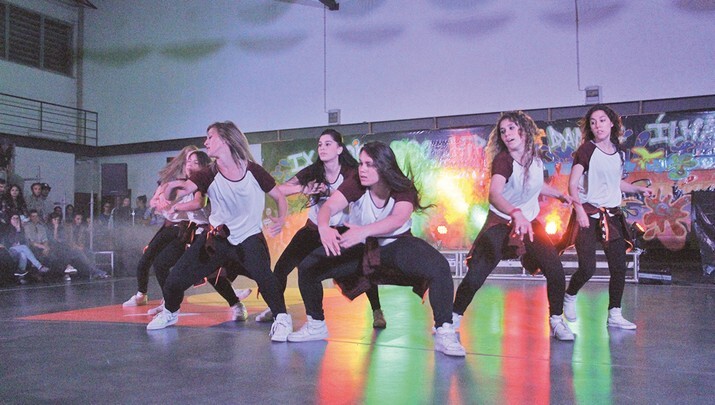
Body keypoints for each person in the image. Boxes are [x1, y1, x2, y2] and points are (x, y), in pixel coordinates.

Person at [288, 141, 465, 357]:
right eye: (361, 163)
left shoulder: (403, 187)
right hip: (361, 247)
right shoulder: (357, 182)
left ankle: (445, 331)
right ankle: (316, 324)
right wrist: (324, 227)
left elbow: (397, 219)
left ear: (383, 166)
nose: (362, 169)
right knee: (308, 267)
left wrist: (363, 232)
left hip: (396, 244)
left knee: (439, 267)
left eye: (369, 164)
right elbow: (329, 206)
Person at [148, 121, 292, 342]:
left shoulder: (253, 170)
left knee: (265, 278)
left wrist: (281, 219)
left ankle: (282, 319)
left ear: (225, 139)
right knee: (175, 280)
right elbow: (186, 189)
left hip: (249, 238)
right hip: (216, 239)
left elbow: (279, 197)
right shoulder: (209, 173)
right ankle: (170, 312)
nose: (205, 142)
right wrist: (170, 190)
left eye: (210, 137)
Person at [451, 111, 575, 341]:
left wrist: (559, 195)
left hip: (528, 222)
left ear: (524, 130)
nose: (507, 134)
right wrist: (515, 213)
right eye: (502, 131)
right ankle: (452, 318)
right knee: (476, 275)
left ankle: (557, 320)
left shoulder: (535, 160)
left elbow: (536, 185)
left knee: (555, 269)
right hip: (502, 221)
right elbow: (494, 194)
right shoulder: (503, 161)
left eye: (511, 128)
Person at [254, 129, 386, 328]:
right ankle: (277, 310)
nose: (322, 148)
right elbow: (279, 190)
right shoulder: (313, 171)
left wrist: (328, 191)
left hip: (341, 230)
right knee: (281, 268)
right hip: (314, 229)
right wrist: (303, 188)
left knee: (363, 270)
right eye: (320, 145)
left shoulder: (352, 173)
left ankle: (377, 310)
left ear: (339, 149)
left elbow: (355, 195)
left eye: (327, 144)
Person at [124, 147, 251, 319]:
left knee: (217, 272)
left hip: (217, 233)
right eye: (188, 161)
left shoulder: (204, 182)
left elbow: (199, 202)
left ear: (204, 166)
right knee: (163, 264)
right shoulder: (186, 184)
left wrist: (176, 206)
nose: (190, 164)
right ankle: (168, 306)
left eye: (195, 162)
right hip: (197, 233)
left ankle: (239, 303)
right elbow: (165, 198)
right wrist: (164, 194)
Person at [559, 104, 652, 329]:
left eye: (601, 120)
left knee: (619, 268)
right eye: (593, 122)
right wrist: (580, 210)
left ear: (611, 123)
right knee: (587, 268)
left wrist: (637, 189)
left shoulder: (619, 152)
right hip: (589, 213)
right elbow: (572, 184)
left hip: (612, 215)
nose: (597, 125)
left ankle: (615, 314)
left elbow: (615, 182)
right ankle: (569, 296)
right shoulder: (586, 150)